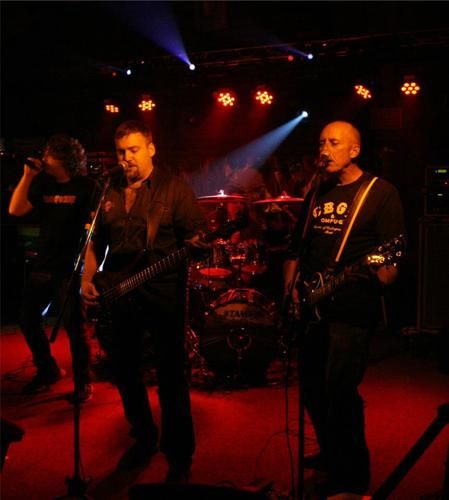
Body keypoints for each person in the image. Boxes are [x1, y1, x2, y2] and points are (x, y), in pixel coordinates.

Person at [283, 121, 406, 498]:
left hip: (351, 309)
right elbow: (295, 249)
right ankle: (331, 453)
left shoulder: (380, 192)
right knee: (312, 391)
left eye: (334, 143)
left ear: (354, 150)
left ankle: (352, 475)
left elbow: (393, 251)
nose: (324, 149)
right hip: (311, 306)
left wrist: (381, 269)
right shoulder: (316, 191)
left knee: (340, 391)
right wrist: (290, 291)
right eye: (321, 142)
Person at [80, 120, 206, 481]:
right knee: (125, 371)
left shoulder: (174, 190)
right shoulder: (107, 190)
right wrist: (87, 278)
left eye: (134, 150)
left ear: (151, 149)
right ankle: (144, 435)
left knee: (171, 375)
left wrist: (199, 244)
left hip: (162, 293)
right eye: (121, 151)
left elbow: (196, 238)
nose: (126, 158)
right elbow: (93, 242)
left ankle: (179, 454)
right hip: (118, 294)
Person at [8, 134, 97, 402]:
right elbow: (15, 210)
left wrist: (88, 271)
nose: (44, 159)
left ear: (62, 158)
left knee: (75, 328)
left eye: (48, 155)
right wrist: (27, 177)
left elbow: (96, 229)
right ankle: (48, 370)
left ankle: (83, 382)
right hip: (43, 264)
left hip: (69, 268)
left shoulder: (86, 187)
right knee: (27, 319)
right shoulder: (42, 183)